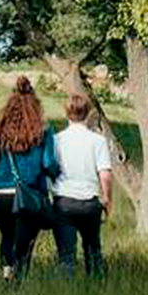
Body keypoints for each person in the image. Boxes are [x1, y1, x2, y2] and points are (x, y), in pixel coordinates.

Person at [0, 77, 59, 288]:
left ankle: (6, 274)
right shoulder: (44, 130)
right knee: (25, 243)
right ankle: (18, 284)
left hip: (0, 198)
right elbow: (48, 163)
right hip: (29, 196)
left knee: (7, 236)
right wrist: (57, 176)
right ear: (35, 105)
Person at [52, 94, 113, 280]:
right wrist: (107, 200)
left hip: (63, 202)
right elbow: (105, 174)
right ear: (87, 113)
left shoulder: (56, 140)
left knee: (66, 255)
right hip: (89, 203)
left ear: (66, 113)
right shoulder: (98, 141)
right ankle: (96, 289)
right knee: (93, 251)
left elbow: (49, 170)